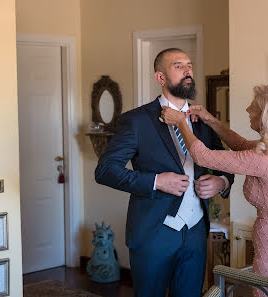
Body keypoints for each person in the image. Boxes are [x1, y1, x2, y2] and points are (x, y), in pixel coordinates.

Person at [94, 48, 234, 297]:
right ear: (160, 78)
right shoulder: (137, 121)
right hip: (152, 233)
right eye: (178, 66)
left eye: (189, 65)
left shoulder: (202, 119)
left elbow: (226, 162)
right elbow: (105, 170)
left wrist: (221, 182)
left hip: (195, 232)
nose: (188, 71)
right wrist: (156, 181)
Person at [161, 84, 268, 297]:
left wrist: (180, 122)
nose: (247, 110)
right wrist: (210, 119)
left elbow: (203, 156)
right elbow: (240, 144)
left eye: (254, 108)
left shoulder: (263, 158)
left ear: (267, 117)